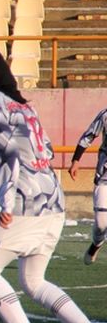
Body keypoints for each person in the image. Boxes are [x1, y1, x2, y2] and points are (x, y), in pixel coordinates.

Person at [0, 46, 105, 323]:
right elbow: (35, 150)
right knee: (33, 280)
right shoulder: (23, 105)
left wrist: (5, 199)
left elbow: (11, 155)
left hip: (25, 205)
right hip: (52, 203)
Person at [68, 105, 107, 264]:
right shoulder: (105, 115)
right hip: (105, 177)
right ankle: (97, 243)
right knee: (101, 223)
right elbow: (88, 136)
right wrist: (76, 161)